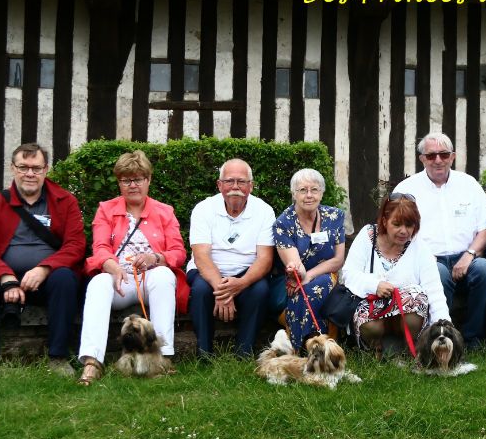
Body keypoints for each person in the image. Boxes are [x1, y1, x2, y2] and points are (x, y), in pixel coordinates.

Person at [0, 143, 85, 378]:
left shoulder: (65, 201)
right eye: (23, 167)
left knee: (65, 279)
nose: (30, 173)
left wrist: (44, 268)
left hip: (47, 280)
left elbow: (76, 245)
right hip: (4, 280)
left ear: (45, 170)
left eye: (36, 168)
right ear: (13, 168)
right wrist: (5, 276)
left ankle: (58, 357)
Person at [76, 151, 188, 385]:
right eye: (126, 180)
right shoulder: (106, 210)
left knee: (164, 276)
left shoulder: (164, 211)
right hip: (120, 279)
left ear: (148, 180)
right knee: (98, 283)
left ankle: (162, 358)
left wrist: (154, 258)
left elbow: (178, 252)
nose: (132, 185)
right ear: (119, 182)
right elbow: (100, 247)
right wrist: (112, 267)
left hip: (151, 278)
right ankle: (92, 361)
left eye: (138, 179)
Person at [392, 132, 486, 349]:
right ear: (421, 159)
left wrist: (469, 255)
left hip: (467, 255)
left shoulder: (468, 184)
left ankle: (471, 338)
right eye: (431, 156)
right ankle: (436, 340)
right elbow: (396, 231)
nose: (438, 160)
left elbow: (485, 228)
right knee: (437, 275)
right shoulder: (406, 190)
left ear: (452, 156)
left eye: (443, 154)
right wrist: (426, 260)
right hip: (426, 259)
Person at [341, 194, 450, 358]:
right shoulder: (367, 235)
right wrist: (374, 285)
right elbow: (348, 274)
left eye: (409, 225)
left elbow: (434, 289)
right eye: (397, 224)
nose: (404, 231)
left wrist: (444, 326)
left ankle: (409, 352)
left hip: (405, 315)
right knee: (371, 325)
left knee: (416, 297)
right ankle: (374, 353)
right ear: (384, 221)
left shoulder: (419, 245)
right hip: (372, 306)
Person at [187, 159, 276, 356]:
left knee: (260, 290)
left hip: (247, 271)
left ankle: (244, 351)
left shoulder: (264, 211)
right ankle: (204, 353)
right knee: (201, 290)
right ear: (219, 185)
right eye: (229, 181)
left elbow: (265, 259)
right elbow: (201, 256)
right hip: (208, 270)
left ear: (250, 186)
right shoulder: (203, 209)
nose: (235, 187)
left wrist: (241, 283)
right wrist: (224, 290)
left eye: (241, 182)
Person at [273, 168, 346, 350]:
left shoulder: (335, 216)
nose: (309, 195)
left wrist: (310, 275)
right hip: (295, 279)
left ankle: (298, 347)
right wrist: (300, 274)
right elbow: (297, 266)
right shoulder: (283, 223)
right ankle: (319, 348)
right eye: (302, 190)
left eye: (314, 190)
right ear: (294, 194)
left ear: (321, 193)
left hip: (329, 275)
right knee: (308, 291)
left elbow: (338, 260)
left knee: (319, 285)